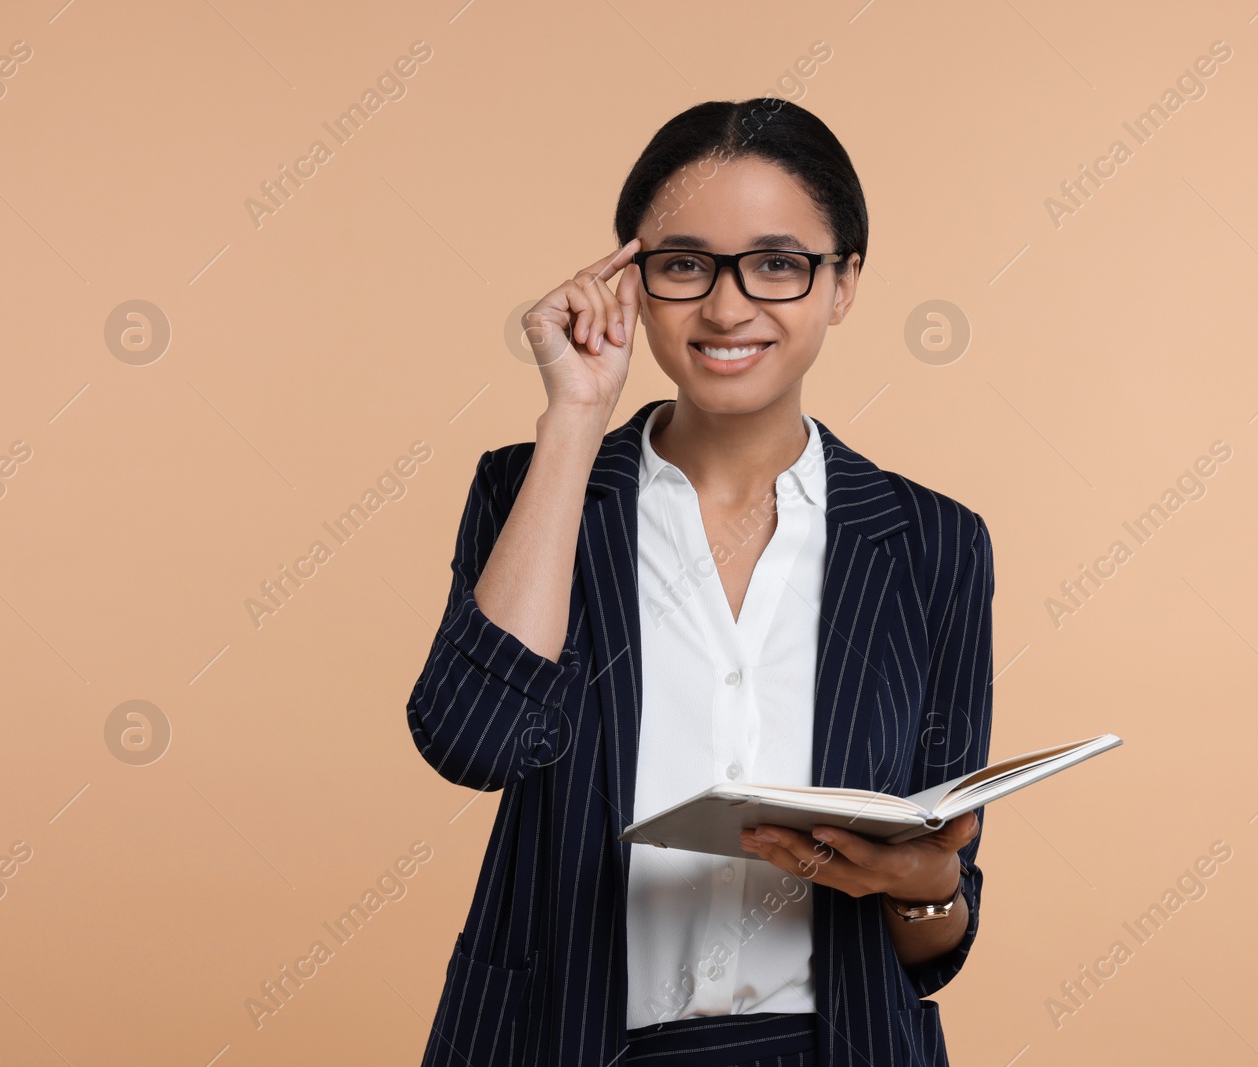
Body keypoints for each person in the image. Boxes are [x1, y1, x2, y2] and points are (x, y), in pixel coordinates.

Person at [406, 97, 995, 1067]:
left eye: (778, 263)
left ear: (843, 282)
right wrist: (573, 418)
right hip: (568, 1037)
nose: (727, 307)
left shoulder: (933, 543)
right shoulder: (535, 487)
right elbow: (475, 741)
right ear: (627, 279)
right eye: (684, 264)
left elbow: (933, 950)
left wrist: (928, 881)